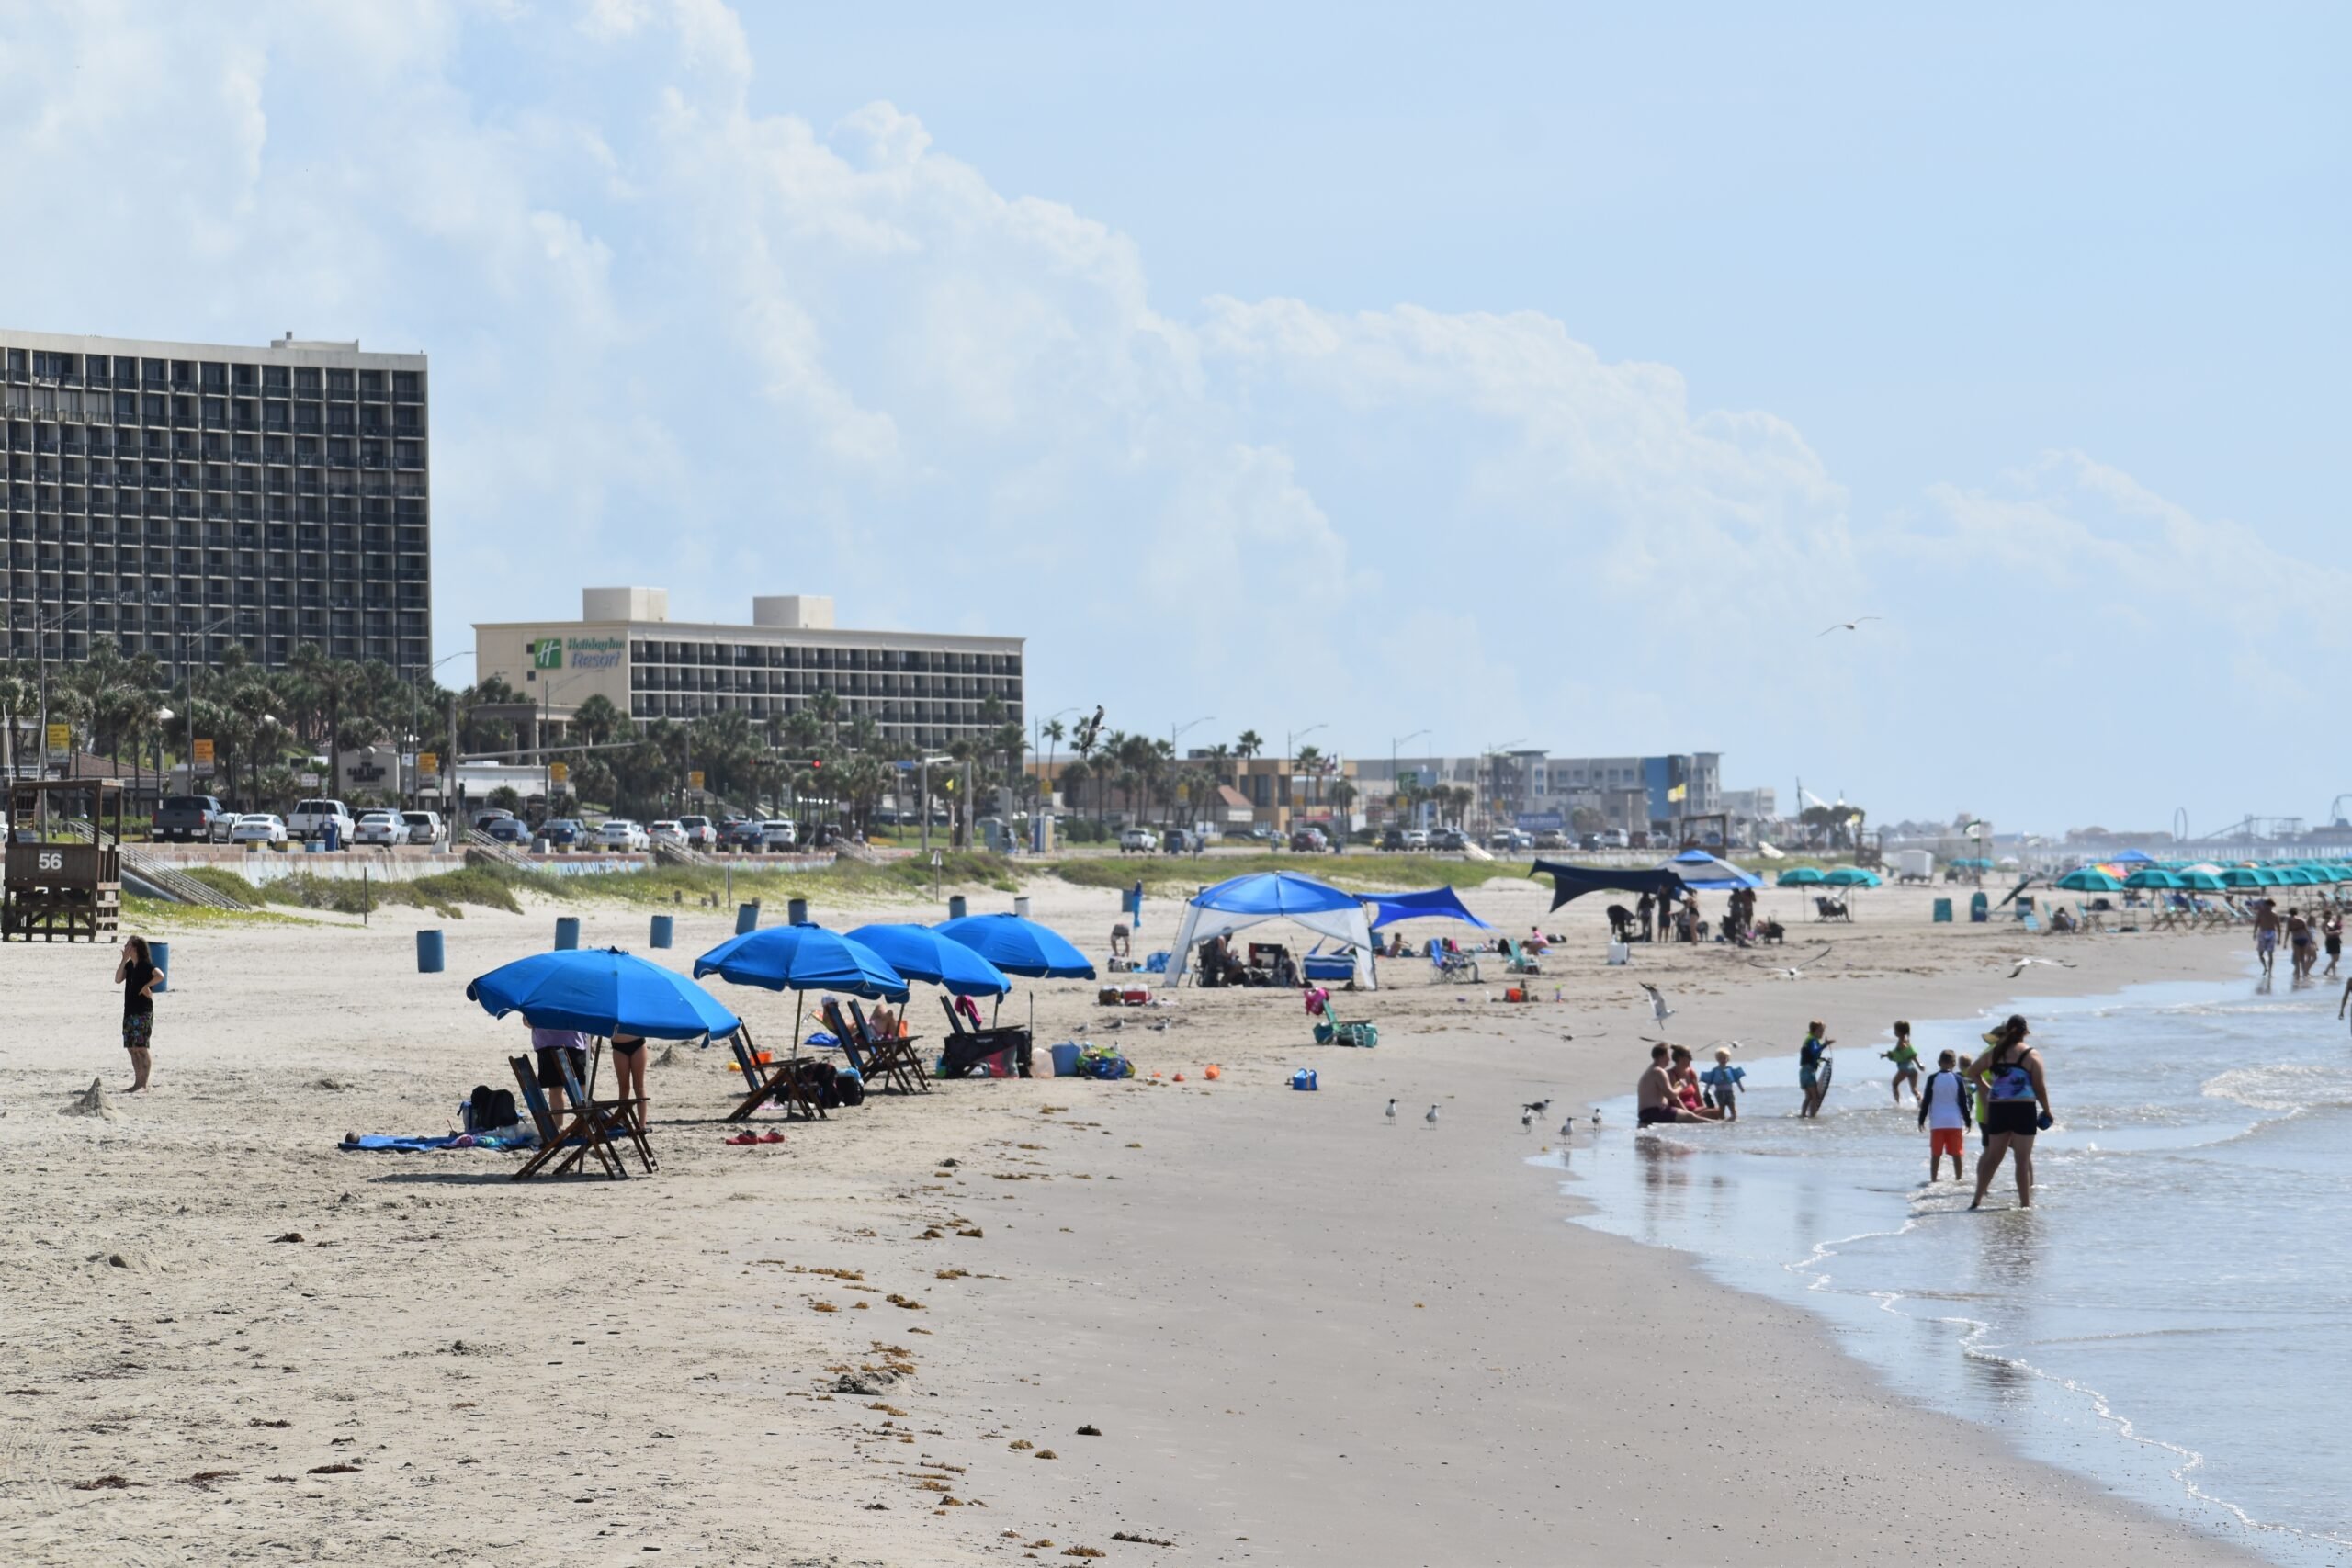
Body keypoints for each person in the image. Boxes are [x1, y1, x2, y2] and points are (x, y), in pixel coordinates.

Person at [1970, 1015, 2052, 1210]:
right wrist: (2047, 1110)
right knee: (2022, 1159)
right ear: (2025, 1032)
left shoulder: (1995, 1053)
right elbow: (2039, 1087)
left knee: (1993, 1157)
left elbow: (1973, 1072)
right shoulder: (2032, 1055)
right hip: (2023, 1109)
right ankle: (2025, 1206)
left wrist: (1986, 1089)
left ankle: (1976, 1200)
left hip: (1998, 1108)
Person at [1917, 1049, 1973, 1181]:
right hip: (1954, 1122)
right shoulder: (1958, 1079)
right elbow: (1963, 1102)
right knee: (1957, 1154)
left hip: (1937, 1123)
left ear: (1939, 1062)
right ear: (1954, 1064)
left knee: (1936, 1155)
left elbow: (1926, 1101)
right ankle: (1958, 1180)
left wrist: (1921, 1119)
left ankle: (1933, 1181)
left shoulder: (1932, 1079)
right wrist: (1968, 1120)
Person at [115, 934, 161, 1092]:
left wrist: (146, 986)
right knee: (131, 1048)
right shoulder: (129, 966)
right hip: (129, 1011)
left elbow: (160, 975)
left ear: (135, 948)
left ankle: (144, 1083)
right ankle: (137, 1082)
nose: (125, 947)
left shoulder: (145, 965)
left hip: (142, 1012)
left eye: (128, 945)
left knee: (141, 1047)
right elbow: (118, 979)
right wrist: (123, 960)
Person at [531, 1022, 592, 1116]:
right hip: (574, 1042)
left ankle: (560, 1127)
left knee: (556, 1089)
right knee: (580, 1087)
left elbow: (528, 1021)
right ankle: (586, 1122)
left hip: (550, 1042)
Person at [1637, 1043, 1704, 1126]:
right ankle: (1716, 1124)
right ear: (1661, 1056)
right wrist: (1681, 1086)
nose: (1669, 1059)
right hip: (1653, 1112)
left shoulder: (1652, 1070)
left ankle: (1715, 1123)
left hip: (1647, 1113)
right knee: (1689, 1116)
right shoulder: (1659, 1071)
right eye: (1667, 1056)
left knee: (1688, 1116)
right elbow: (1671, 1095)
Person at [608, 1029, 649, 1134]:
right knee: (624, 1087)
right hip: (618, 1045)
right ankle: (622, 1121)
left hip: (637, 1043)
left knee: (639, 1087)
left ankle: (642, 1125)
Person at [1668, 1045, 1723, 1120]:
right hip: (1680, 1112)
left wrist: (1704, 1108)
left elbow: (1697, 1096)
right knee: (1713, 1114)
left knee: (1719, 1111)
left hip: (1694, 1110)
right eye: (1689, 1056)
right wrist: (1687, 1114)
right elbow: (1674, 1100)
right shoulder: (1671, 1074)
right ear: (1680, 1058)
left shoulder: (1691, 1073)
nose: (1691, 1059)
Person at [1699, 1047, 1747, 1121]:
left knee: (1732, 1107)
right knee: (1722, 1108)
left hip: (1729, 1092)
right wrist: (1706, 1091)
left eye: (1724, 1058)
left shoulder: (1730, 1069)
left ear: (1728, 1058)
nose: (1723, 1060)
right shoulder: (1715, 1070)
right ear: (1717, 1059)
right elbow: (1709, 1081)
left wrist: (1741, 1088)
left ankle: (1733, 1119)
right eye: (1720, 1058)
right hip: (1719, 1092)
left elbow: (1737, 1079)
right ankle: (1722, 1120)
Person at [1797, 1021, 1833, 1118]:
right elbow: (1814, 1052)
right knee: (1815, 1097)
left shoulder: (1808, 1039)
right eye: (1820, 1031)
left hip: (1803, 1072)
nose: (1822, 1033)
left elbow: (1811, 1056)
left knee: (1808, 1097)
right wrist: (1825, 1045)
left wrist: (1823, 1060)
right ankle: (1812, 1118)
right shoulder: (1813, 1040)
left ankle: (1802, 1116)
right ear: (1815, 1031)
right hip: (1809, 1073)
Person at [1882, 1021, 1922, 1105]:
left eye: (1895, 1030)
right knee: (1914, 1089)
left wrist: (1886, 1055)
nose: (1894, 1032)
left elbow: (1902, 1054)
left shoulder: (1901, 1043)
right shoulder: (1907, 1041)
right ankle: (1921, 1103)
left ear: (1899, 1032)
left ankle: (1898, 1104)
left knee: (1894, 1084)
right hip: (1912, 1068)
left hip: (1904, 1068)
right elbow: (1909, 1054)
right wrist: (1918, 1065)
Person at [2253, 899, 2280, 977]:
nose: (2266, 907)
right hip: (2263, 932)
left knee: (2270, 954)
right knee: (2260, 953)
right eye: (2266, 905)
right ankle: (2265, 968)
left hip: (2271, 933)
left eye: (2268, 906)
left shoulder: (2274, 914)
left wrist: (2279, 938)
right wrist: (2254, 933)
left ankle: (2270, 972)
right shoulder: (2261, 913)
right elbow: (2257, 923)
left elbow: (2278, 927)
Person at [2324, 911, 2343, 979]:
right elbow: (2327, 932)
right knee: (2334, 959)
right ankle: (2328, 972)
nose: (2334, 919)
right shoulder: (2330, 923)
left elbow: (2337, 932)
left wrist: (2339, 933)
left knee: (2336, 959)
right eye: (2333, 918)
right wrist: (2335, 932)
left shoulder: (2337, 923)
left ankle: (2331, 973)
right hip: (2330, 941)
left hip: (2336, 941)